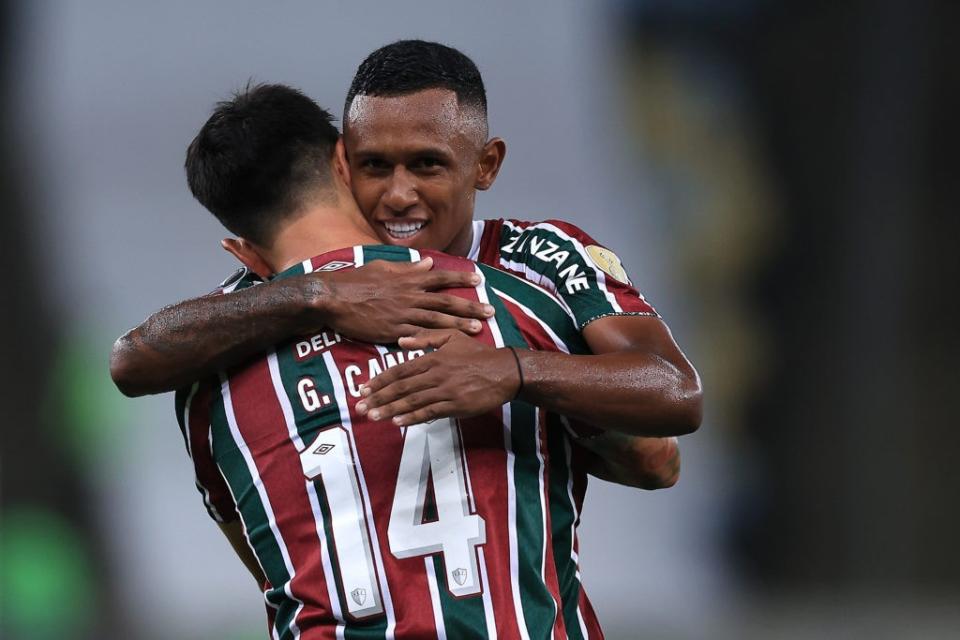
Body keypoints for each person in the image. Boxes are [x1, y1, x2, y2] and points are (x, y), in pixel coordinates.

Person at [111, 40, 702, 638]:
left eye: (427, 165)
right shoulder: (510, 304)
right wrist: (323, 294)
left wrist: (513, 372)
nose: (397, 195)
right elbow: (130, 359)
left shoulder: (538, 264)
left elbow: (662, 436)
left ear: (485, 165)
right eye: (375, 166)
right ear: (343, 163)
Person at [178, 82, 606, 638]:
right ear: (343, 160)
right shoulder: (507, 303)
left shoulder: (205, 382)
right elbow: (653, 459)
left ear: (241, 248)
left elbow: (266, 560)